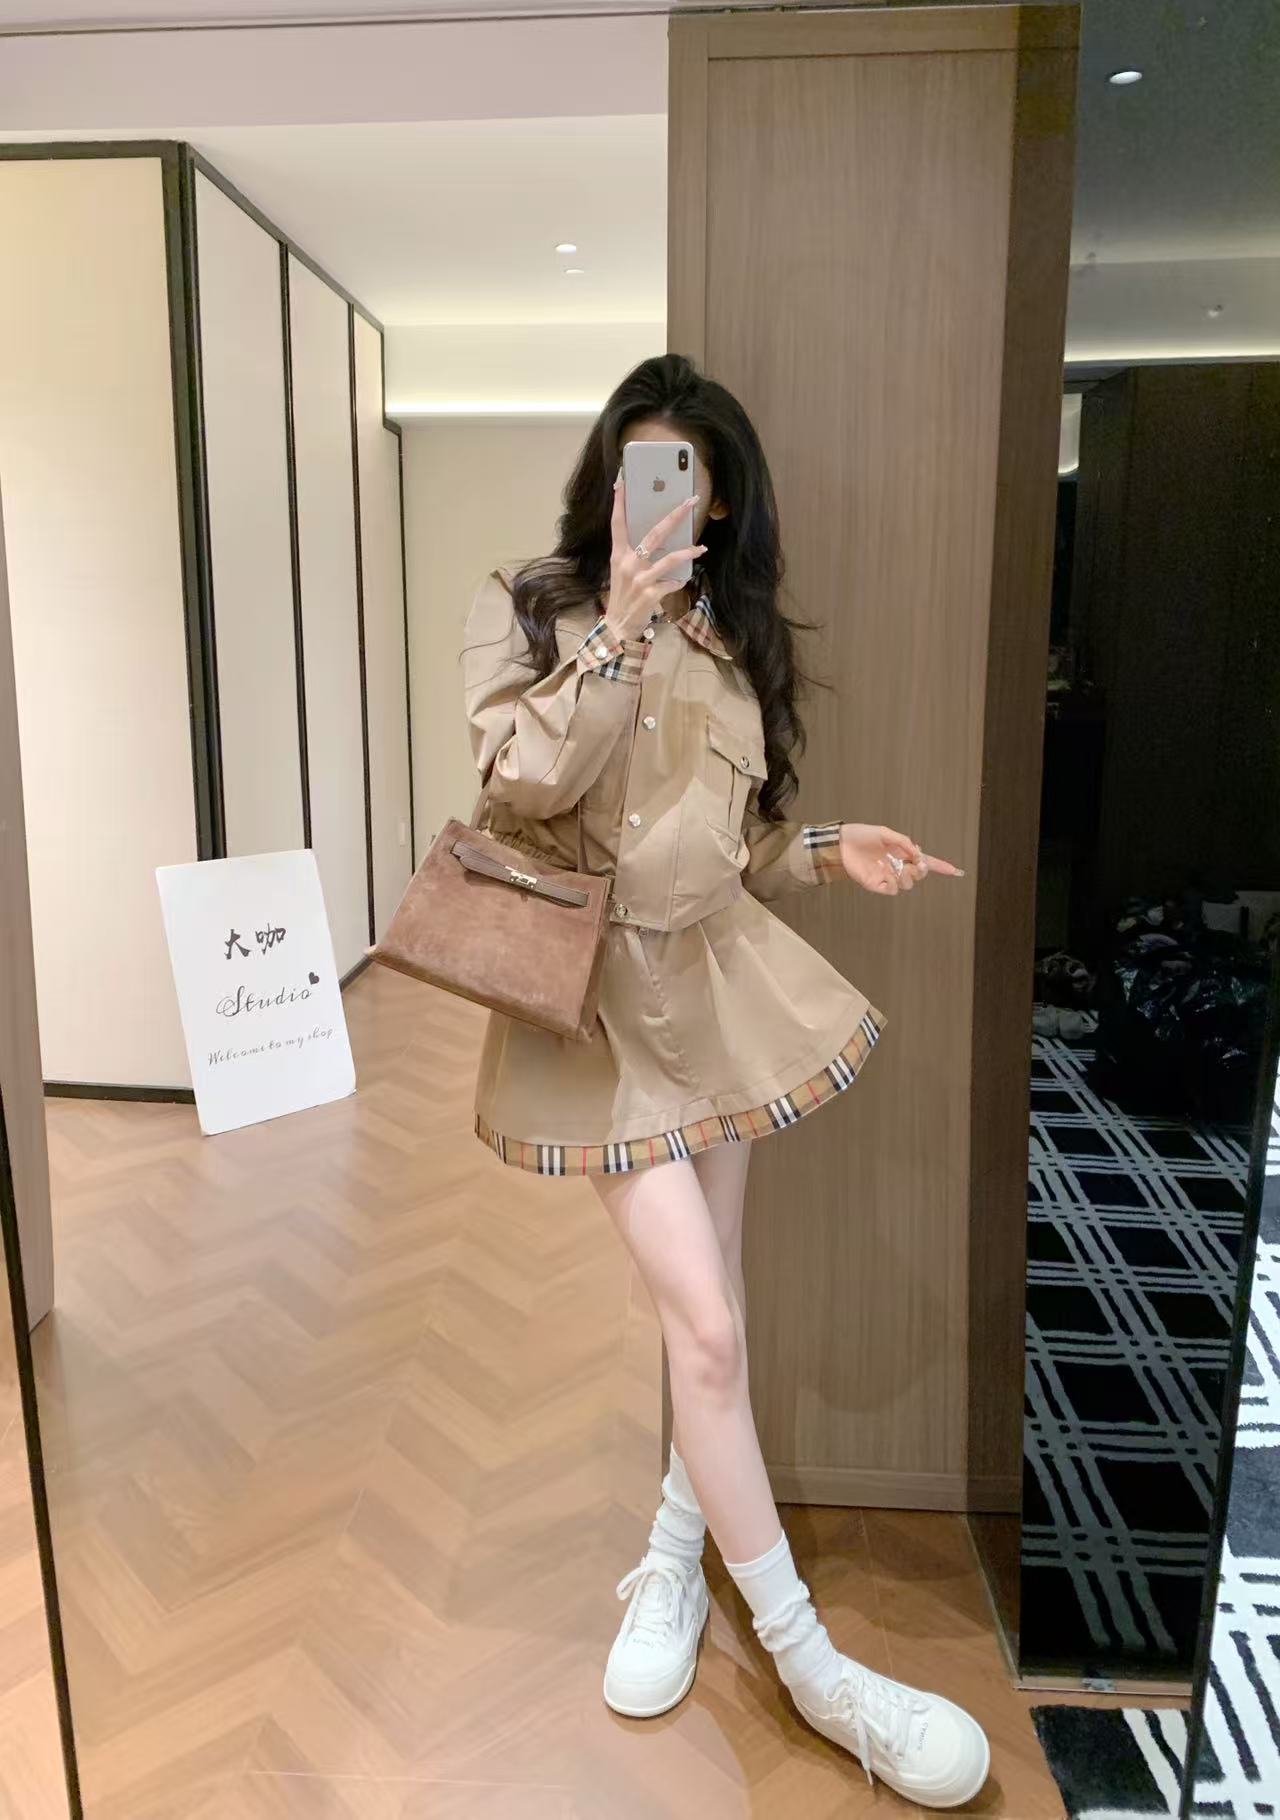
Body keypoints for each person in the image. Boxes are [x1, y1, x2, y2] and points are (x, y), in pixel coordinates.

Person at [460, 353, 988, 1807]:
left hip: (715, 990)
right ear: (604, 484)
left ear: (721, 504)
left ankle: (678, 1554)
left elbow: (729, 849)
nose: (657, 502)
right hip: (599, 1012)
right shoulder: (530, 609)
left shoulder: (737, 637)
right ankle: (817, 1670)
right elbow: (519, 790)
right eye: (637, 472)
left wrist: (830, 851)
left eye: (686, 480)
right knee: (701, 1326)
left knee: (722, 1313)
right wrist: (619, 636)